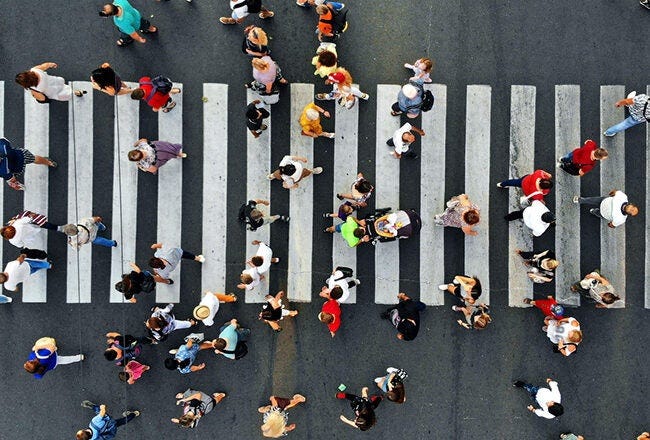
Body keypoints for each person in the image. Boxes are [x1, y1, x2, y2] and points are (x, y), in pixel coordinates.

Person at [15, 62, 85, 102]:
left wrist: (36, 98)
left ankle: (77, 92)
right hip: (56, 81)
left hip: (55, 92)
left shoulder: (34, 89)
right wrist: (51, 64)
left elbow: (42, 98)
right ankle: (77, 92)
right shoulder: (35, 70)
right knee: (64, 86)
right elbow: (44, 66)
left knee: (67, 92)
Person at [574, 190, 638, 228]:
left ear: (629, 214)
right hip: (603, 201)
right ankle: (579, 200)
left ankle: (593, 211)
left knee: (597, 213)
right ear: (631, 204)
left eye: (632, 212)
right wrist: (610, 195)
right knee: (590, 200)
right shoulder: (623, 197)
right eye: (633, 208)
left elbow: (612, 225)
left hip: (603, 213)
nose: (631, 210)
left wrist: (609, 222)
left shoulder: (621, 219)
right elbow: (615, 192)